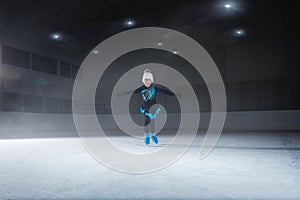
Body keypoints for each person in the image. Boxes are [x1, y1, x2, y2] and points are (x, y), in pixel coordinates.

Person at [131, 69, 175, 145]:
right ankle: (147, 136)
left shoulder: (155, 88)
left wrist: (173, 94)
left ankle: (153, 135)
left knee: (152, 121)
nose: (147, 81)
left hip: (153, 107)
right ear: (143, 81)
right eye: (145, 80)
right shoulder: (141, 88)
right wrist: (122, 93)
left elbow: (164, 91)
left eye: (148, 80)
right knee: (147, 119)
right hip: (145, 107)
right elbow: (132, 91)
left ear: (151, 80)